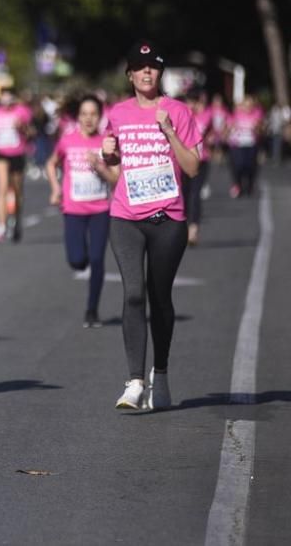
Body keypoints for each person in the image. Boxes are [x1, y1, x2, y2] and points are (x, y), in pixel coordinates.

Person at [101, 40, 200, 411]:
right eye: (140, 67)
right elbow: (114, 163)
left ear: (160, 74)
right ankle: (134, 382)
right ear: (129, 75)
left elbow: (192, 168)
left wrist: (170, 132)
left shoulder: (178, 111)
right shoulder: (118, 113)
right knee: (132, 293)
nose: (147, 72)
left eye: (153, 67)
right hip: (125, 217)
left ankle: (162, 373)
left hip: (168, 220)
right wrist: (109, 154)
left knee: (160, 300)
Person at [46, 94, 113, 328]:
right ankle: (80, 261)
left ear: (100, 117)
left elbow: (116, 176)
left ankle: (92, 310)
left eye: (93, 114)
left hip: (100, 209)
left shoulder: (106, 142)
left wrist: (99, 166)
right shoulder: (67, 140)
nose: (88, 119)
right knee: (77, 260)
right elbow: (51, 163)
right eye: (84, 114)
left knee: (97, 259)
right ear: (78, 117)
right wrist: (56, 188)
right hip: (73, 209)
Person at [0, 87, 33, 242]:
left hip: (17, 153)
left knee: (17, 191)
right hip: (1, 153)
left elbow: (31, 133)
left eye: (9, 97)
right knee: (2, 187)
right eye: (3, 97)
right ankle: (1, 225)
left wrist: (22, 127)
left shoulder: (22, 111)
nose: (6, 100)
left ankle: (16, 219)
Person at [181, 91, 213, 245]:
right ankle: (185, 227)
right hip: (183, 162)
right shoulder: (180, 117)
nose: (191, 105)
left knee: (195, 195)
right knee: (184, 195)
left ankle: (193, 229)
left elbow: (210, 131)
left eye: (194, 101)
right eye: (189, 101)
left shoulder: (205, 115)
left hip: (201, 160)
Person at [225, 94, 265, 198]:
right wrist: (229, 129)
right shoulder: (236, 114)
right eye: (245, 105)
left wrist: (257, 127)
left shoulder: (257, 113)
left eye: (250, 105)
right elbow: (227, 127)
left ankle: (250, 185)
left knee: (250, 166)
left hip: (251, 144)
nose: (248, 107)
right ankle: (238, 185)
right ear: (242, 105)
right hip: (237, 144)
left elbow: (261, 130)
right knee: (238, 166)